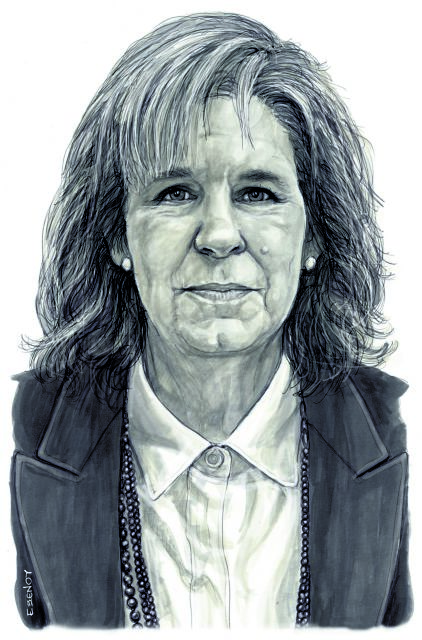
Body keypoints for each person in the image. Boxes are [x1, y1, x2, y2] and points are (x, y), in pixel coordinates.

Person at [10, 12, 411, 629]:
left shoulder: (391, 437)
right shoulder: (34, 439)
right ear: (117, 235)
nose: (220, 235)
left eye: (258, 193)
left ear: (314, 235)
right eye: (175, 193)